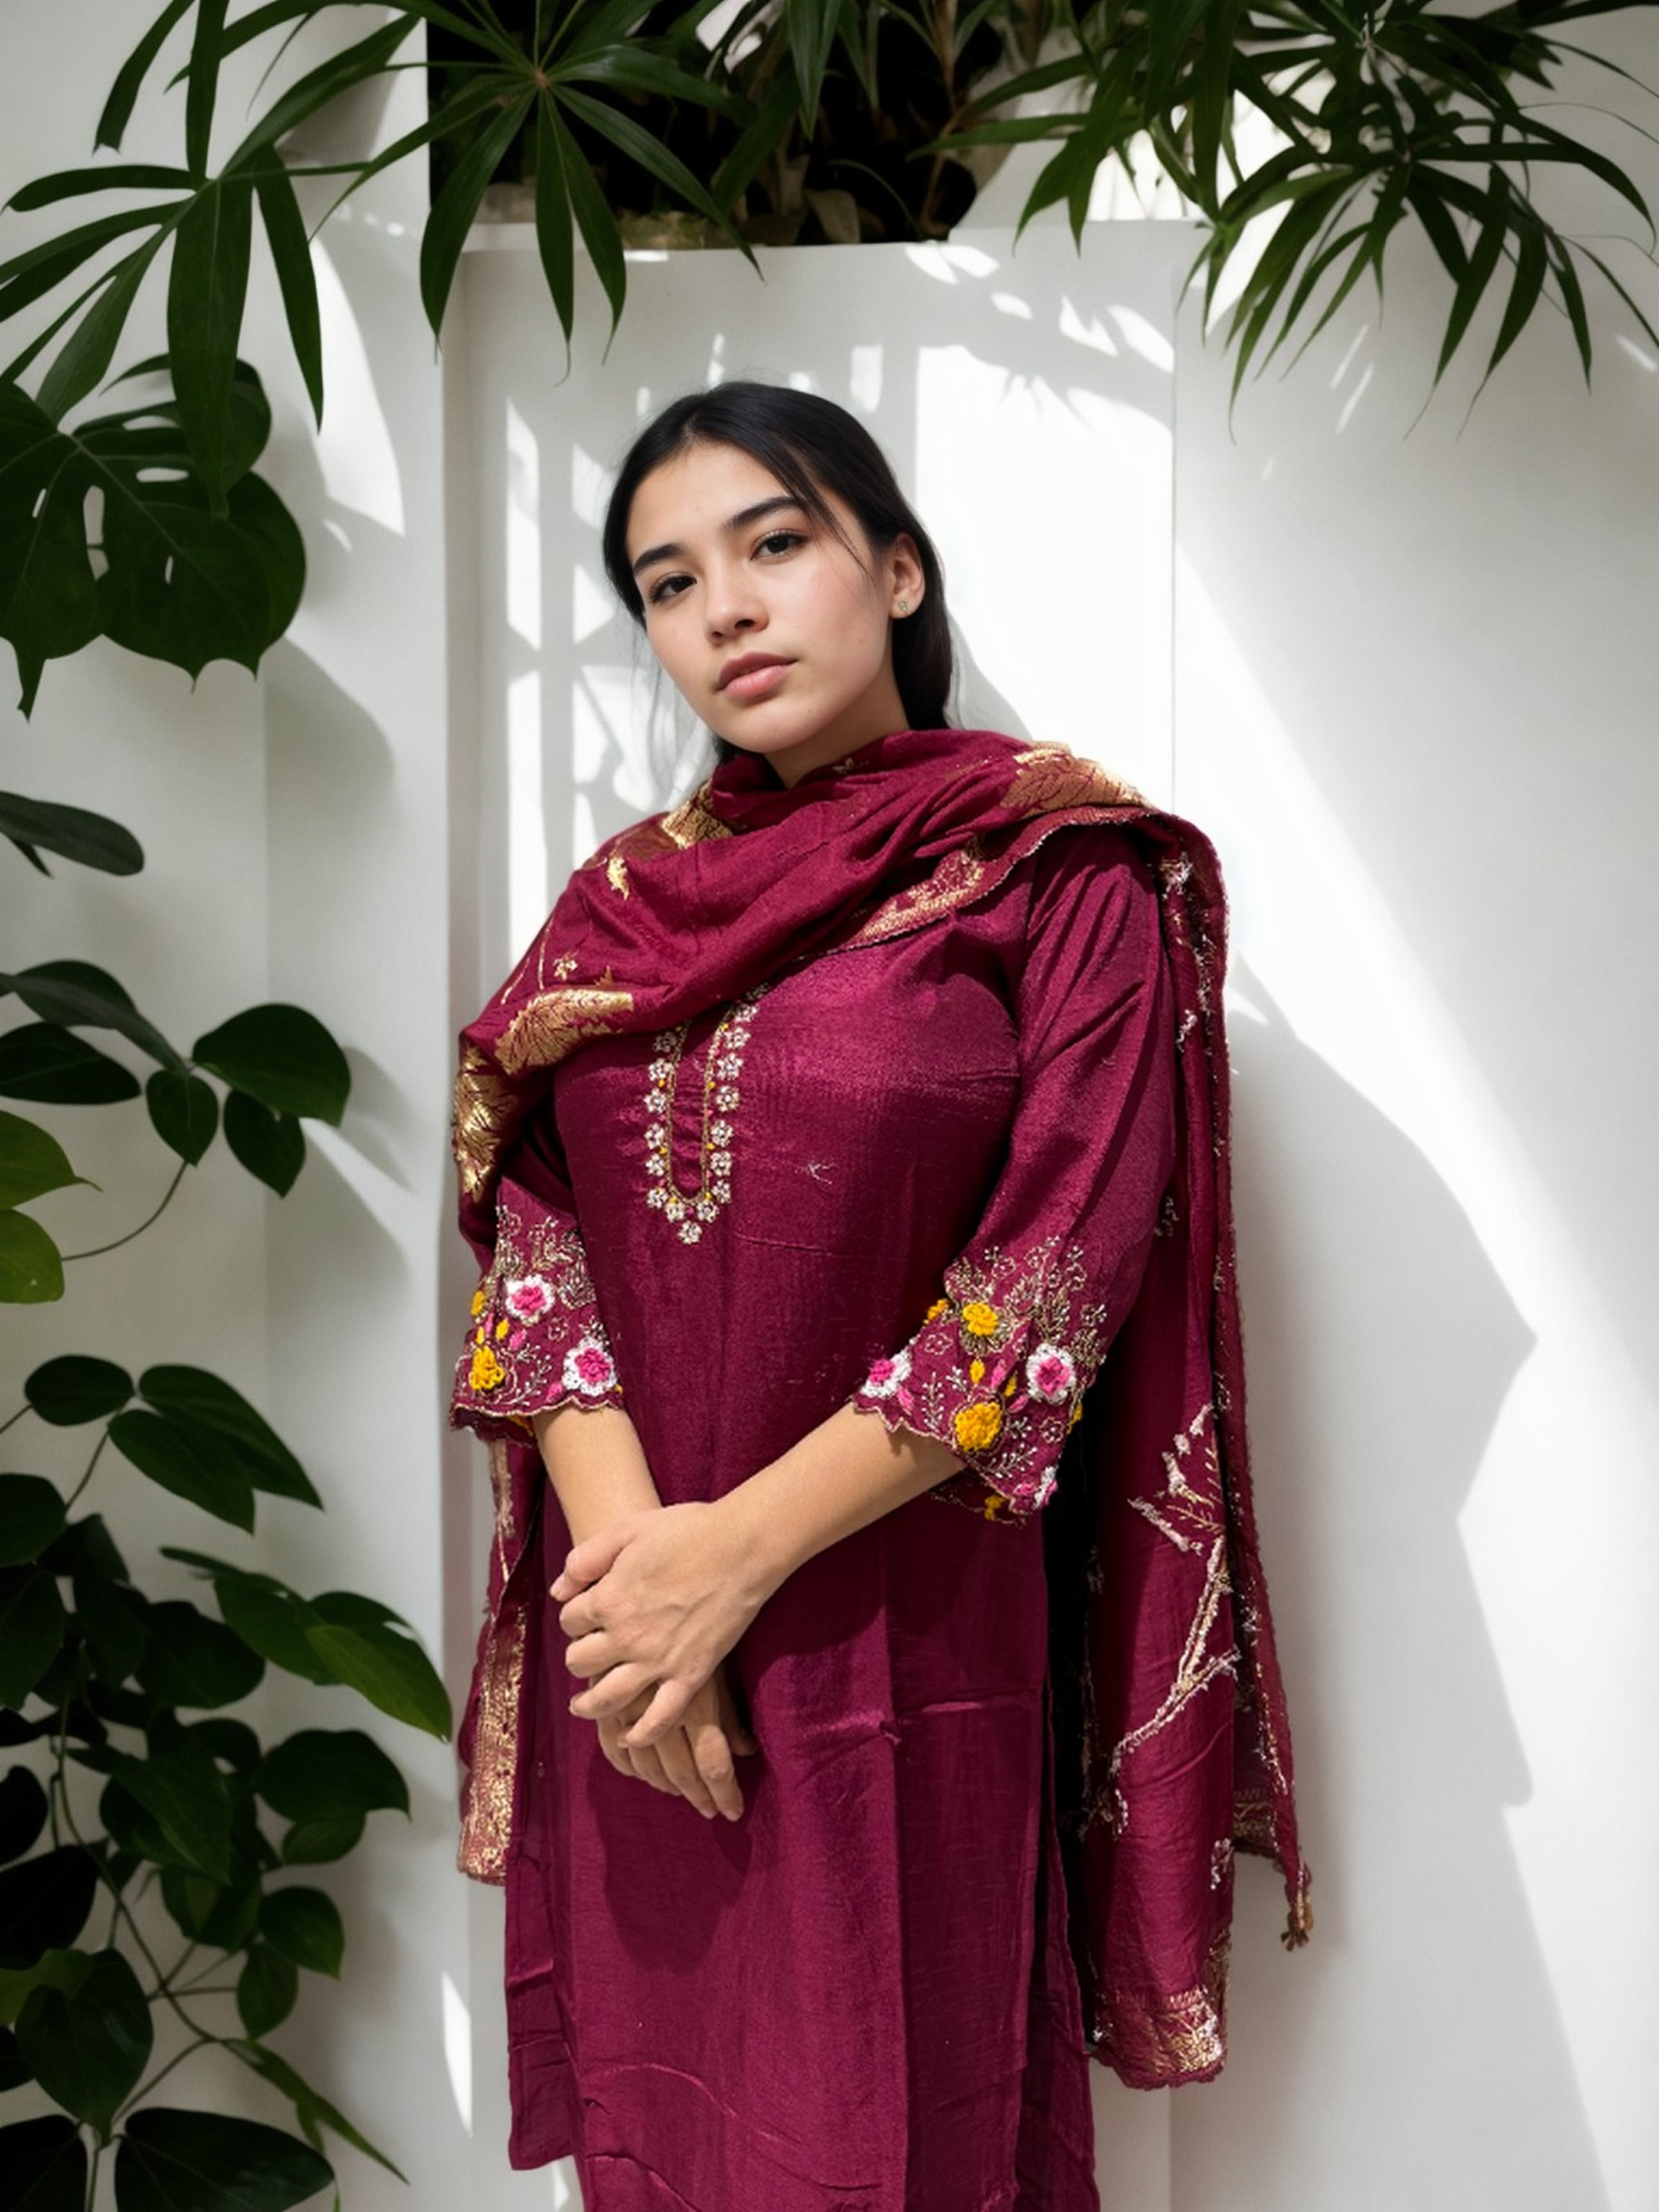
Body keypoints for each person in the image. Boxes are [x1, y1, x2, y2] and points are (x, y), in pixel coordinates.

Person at [449, 382, 1308, 2212]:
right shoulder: (619, 907)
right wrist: (638, 1585)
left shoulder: (1060, 873)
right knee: (663, 2137)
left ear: (897, 570)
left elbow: (1053, 1277)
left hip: (896, 1651)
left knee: (889, 2134)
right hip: (639, 1670)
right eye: (669, 583)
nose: (727, 609)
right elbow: (532, 1213)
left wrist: (728, 1564)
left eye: (775, 544)